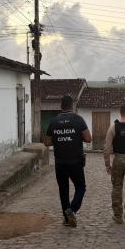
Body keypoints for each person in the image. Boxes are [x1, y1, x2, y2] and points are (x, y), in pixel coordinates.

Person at [44, 95, 92, 227]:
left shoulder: (53, 121)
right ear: (72, 105)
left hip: (60, 163)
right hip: (76, 162)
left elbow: (47, 142)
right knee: (81, 187)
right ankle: (72, 209)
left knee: (63, 190)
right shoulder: (78, 119)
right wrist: (74, 136)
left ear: (61, 106)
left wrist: (60, 138)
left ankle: (66, 219)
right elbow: (88, 138)